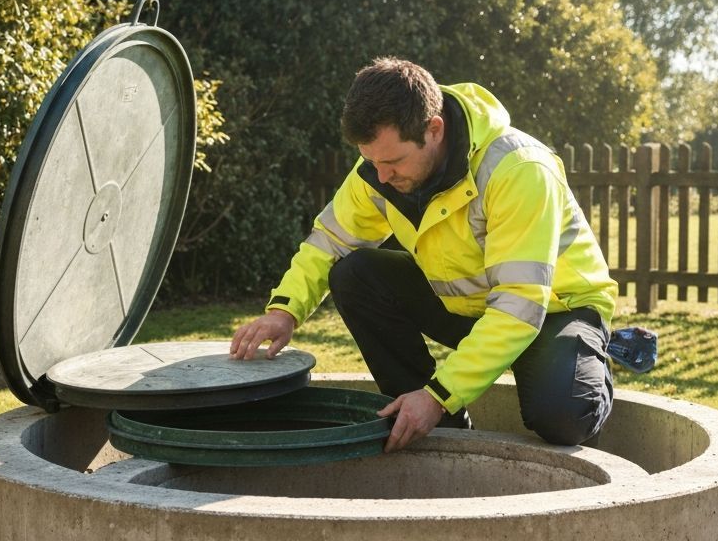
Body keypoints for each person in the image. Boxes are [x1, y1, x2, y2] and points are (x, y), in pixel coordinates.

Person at [230, 58, 617, 453]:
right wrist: (285, 311)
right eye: (371, 160)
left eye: (393, 161)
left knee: (564, 416)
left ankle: (590, 358)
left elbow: (520, 305)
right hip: (465, 307)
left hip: (555, 310)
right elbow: (328, 241)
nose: (380, 176)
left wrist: (438, 395)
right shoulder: (378, 169)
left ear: (434, 130)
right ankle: (435, 425)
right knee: (354, 273)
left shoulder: (519, 169)